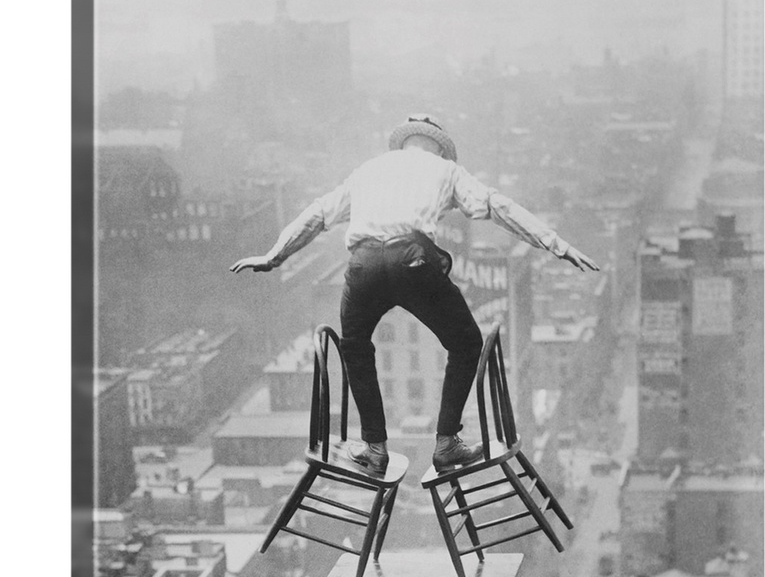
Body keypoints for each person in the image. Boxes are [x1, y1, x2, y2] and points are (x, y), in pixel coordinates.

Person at [231, 114, 598, 474]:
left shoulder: (368, 170)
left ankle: (375, 449)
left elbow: (317, 214)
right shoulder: (445, 170)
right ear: (439, 148)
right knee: (466, 343)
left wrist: (273, 256)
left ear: (405, 142)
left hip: (364, 265)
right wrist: (555, 244)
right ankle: (446, 443)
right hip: (412, 260)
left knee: (355, 347)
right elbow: (497, 206)